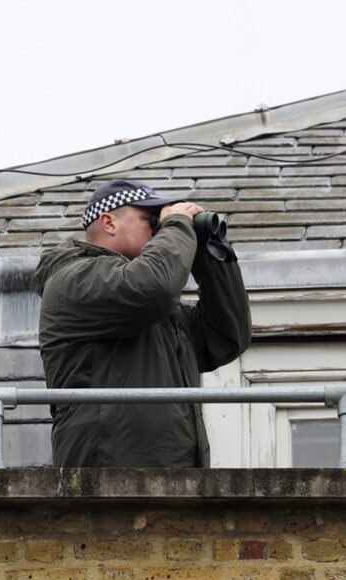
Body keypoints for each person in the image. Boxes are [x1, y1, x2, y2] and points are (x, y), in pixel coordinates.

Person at [34, 179, 251, 468]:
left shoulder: (158, 312)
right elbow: (152, 287)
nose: (159, 226)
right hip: (106, 481)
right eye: (150, 218)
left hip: (179, 479)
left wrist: (207, 252)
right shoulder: (73, 280)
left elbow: (227, 334)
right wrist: (176, 226)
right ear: (109, 223)